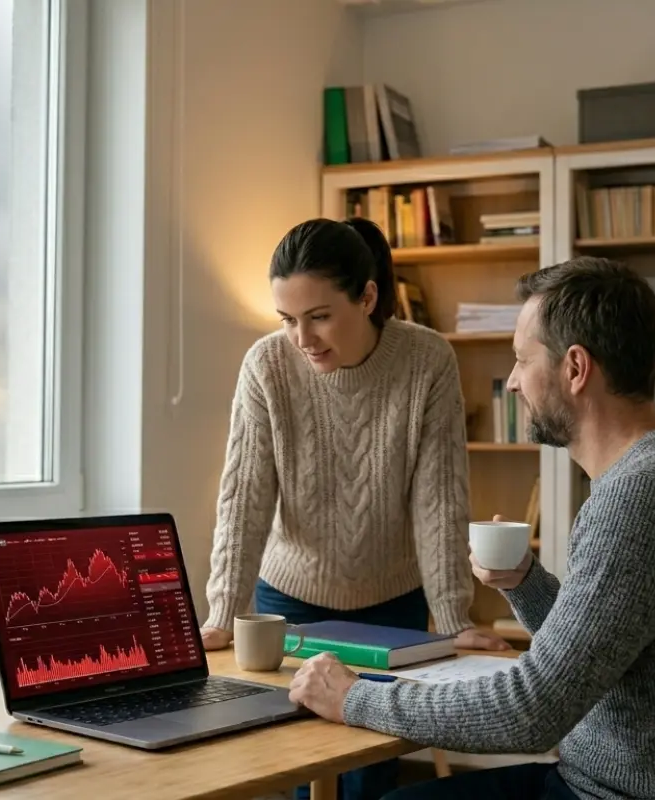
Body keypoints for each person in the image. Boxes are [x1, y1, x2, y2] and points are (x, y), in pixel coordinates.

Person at [286, 256, 655, 800]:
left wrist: (353, 698)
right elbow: (592, 653)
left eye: (521, 360)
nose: (514, 382)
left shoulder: (644, 494)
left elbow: (532, 712)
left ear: (575, 368)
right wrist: (523, 581)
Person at [201, 217, 509, 800]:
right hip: (287, 603)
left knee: (370, 774)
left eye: (319, 316)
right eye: (287, 319)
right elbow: (244, 499)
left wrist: (452, 620)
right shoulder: (266, 366)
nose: (302, 337)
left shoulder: (427, 361)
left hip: (392, 606)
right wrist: (223, 611)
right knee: (296, 763)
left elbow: (439, 499)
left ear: (367, 296)